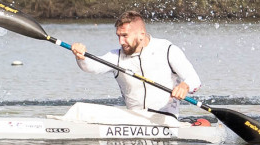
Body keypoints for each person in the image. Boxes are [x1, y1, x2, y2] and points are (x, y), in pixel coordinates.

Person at [70, 10, 201, 118]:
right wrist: (81, 56)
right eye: (118, 36)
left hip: (165, 119)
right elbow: (91, 67)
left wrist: (185, 86)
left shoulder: (167, 50)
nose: (121, 41)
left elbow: (195, 80)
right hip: (133, 119)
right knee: (80, 109)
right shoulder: (116, 56)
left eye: (125, 36)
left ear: (141, 34)